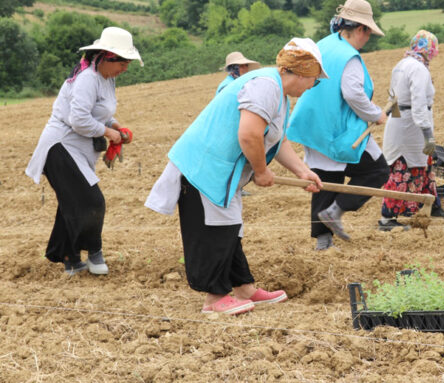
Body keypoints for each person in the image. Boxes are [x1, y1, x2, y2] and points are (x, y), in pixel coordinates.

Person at [145, 38, 327, 315]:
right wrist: (261, 171)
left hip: (222, 171)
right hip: (204, 168)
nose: (314, 86)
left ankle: (244, 288)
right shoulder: (266, 86)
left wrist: (302, 171)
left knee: (230, 228)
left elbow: (276, 140)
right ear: (303, 72)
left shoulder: (277, 92)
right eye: (315, 79)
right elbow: (249, 134)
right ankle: (215, 298)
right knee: (216, 230)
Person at [25, 27, 142, 276]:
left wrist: (114, 125)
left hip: (77, 148)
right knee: (92, 201)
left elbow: (97, 112)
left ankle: (70, 258)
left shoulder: (107, 78)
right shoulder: (88, 78)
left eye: (128, 64)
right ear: (108, 56)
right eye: (123, 63)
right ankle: (94, 251)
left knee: (72, 202)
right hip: (61, 146)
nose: (125, 69)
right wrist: (107, 133)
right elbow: (78, 120)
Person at [287, 0, 390, 251]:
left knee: (325, 177)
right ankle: (336, 210)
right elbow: (353, 94)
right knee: (377, 171)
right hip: (336, 129)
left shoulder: (324, 44)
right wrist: (375, 114)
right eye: (368, 32)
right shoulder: (349, 57)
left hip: (313, 125)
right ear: (360, 29)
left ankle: (323, 241)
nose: (368, 38)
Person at [378, 30, 444, 231]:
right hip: (411, 126)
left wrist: (395, 118)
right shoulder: (418, 69)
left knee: (424, 165)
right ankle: (387, 218)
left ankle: (431, 206)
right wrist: (428, 135)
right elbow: (418, 104)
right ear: (429, 49)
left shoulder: (401, 64)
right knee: (402, 168)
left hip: (401, 121)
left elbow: (393, 98)